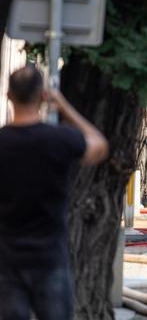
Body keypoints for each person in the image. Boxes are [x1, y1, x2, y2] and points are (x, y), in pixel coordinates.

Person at [0, 66, 108, 320]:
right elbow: (99, 146)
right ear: (42, 96)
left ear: (8, 95)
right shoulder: (58, 140)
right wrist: (63, 106)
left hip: (6, 258)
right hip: (49, 256)